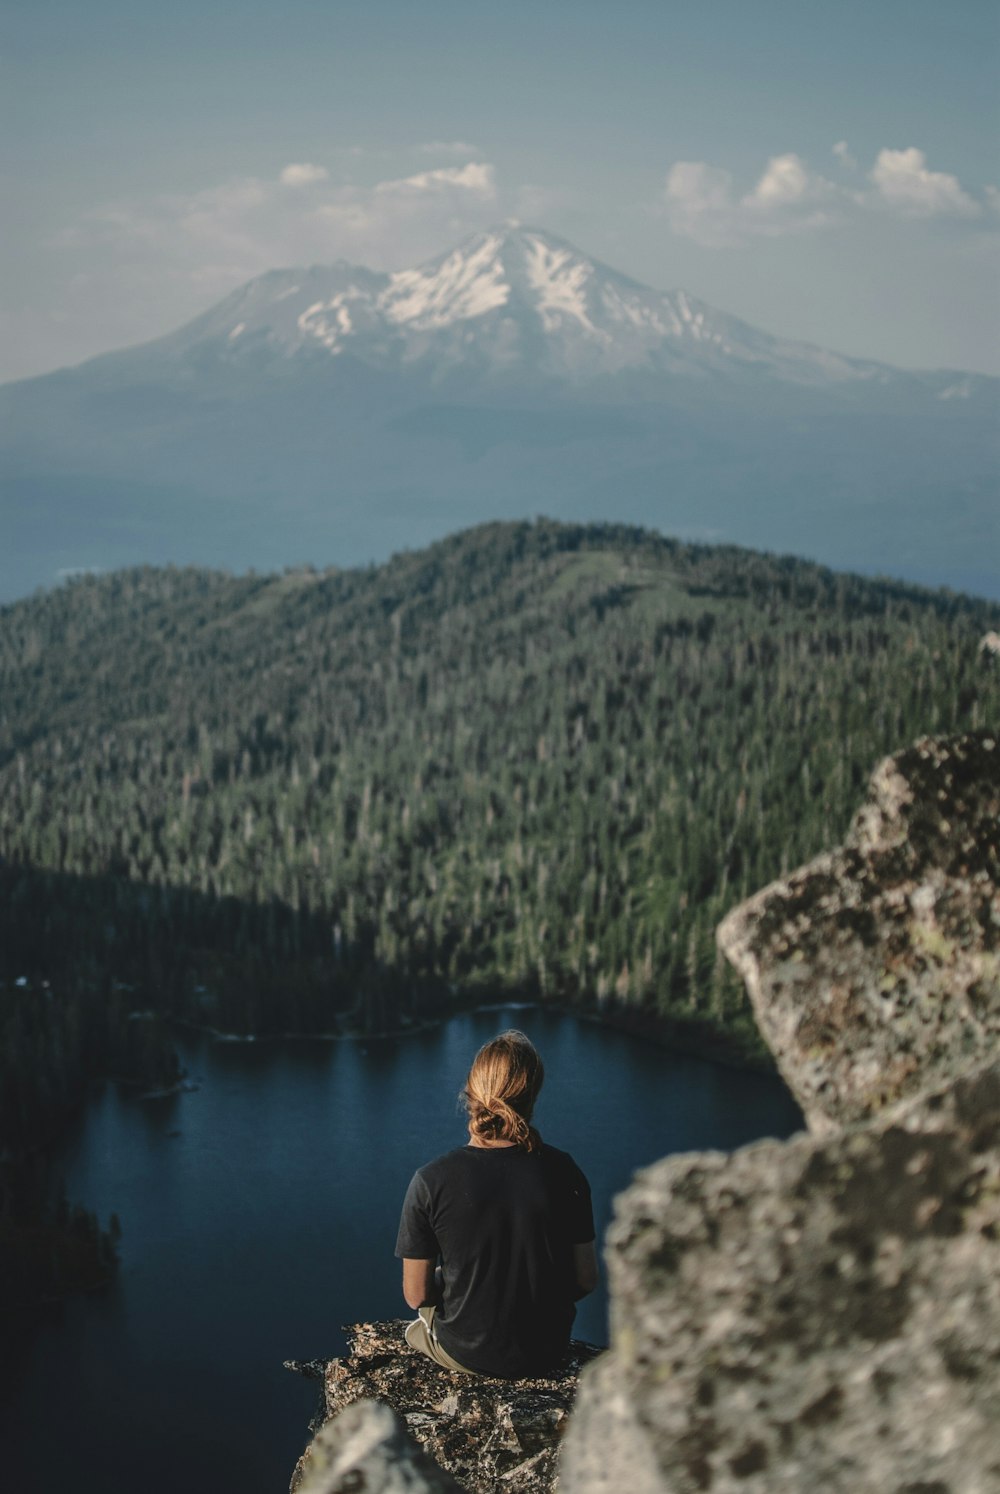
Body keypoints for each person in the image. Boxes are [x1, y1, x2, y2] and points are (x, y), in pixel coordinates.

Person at [394, 1029, 598, 1379]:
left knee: (415, 1330)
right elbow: (585, 1280)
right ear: (532, 1095)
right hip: (547, 1350)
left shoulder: (431, 1180)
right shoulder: (565, 1172)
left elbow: (416, 1296)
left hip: (466, 1354)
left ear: (471, 1094)